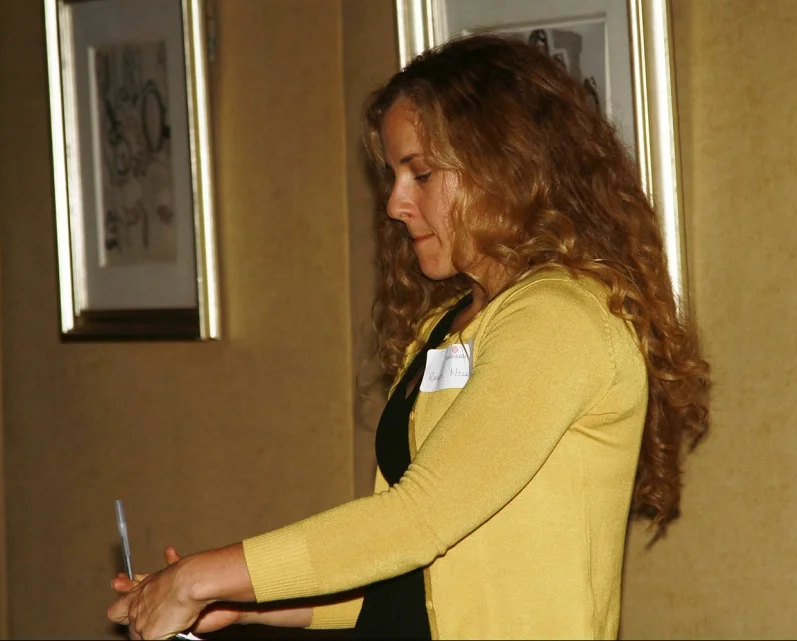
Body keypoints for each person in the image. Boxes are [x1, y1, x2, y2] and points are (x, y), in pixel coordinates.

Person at [108, 33, 710, 640]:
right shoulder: (443, 328)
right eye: (393, 176)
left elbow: (417, 518)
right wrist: (241, 601)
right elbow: (412, 578)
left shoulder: (560, 319)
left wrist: (199, 579)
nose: (396, 203)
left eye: (420, 174)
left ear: (506, 168)